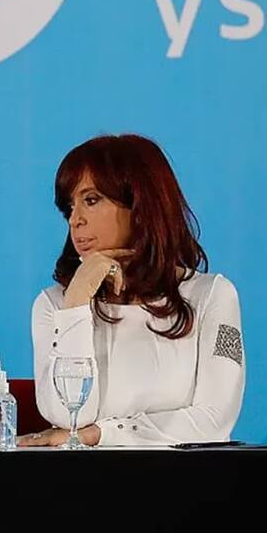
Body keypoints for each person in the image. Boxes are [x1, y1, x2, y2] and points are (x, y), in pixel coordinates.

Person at [19, 134, 244, 447]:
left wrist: (102, 434)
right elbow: (68, 416)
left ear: (140, 204)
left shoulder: (213, 296)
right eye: (69, 207)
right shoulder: (54, 304)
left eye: (91, 200)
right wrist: (76, 304)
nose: (75, 220)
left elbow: (214, 421)